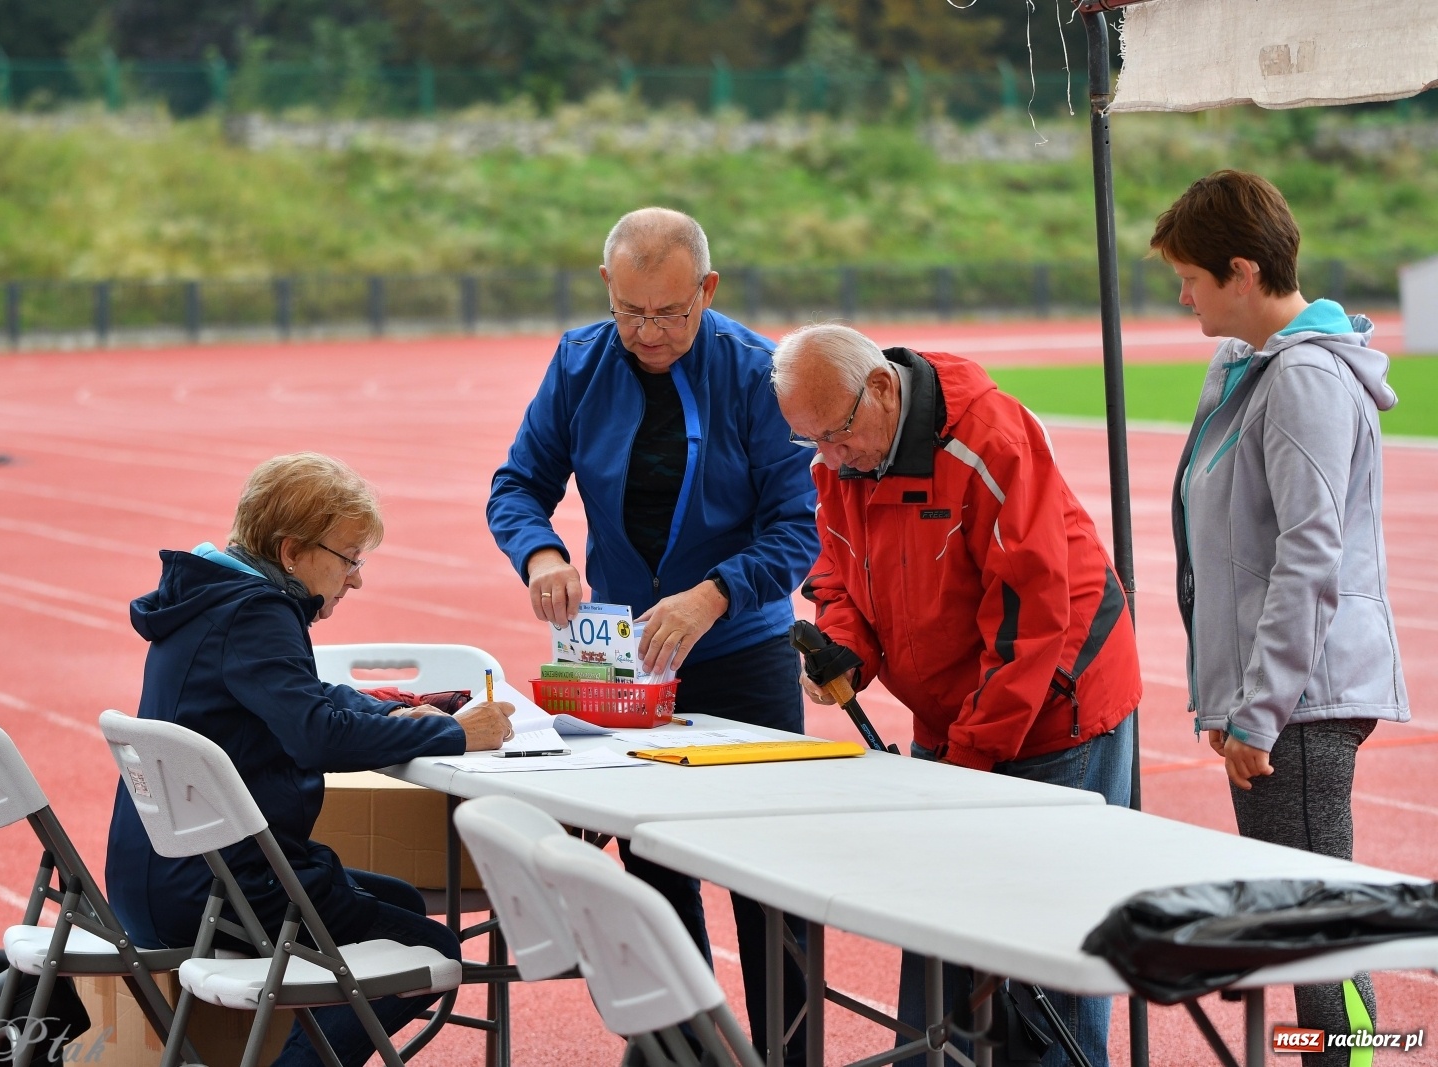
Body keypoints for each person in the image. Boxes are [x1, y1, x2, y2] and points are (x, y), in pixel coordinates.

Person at [486, 207, 820, 1063]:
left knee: (767, 882)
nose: (649, 332)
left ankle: (787, 1053)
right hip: (628, 667)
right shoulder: (579, 361)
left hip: (743, 657)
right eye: (631, 312)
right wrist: (542, 554)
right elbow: (517, 484)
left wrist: (713, 595)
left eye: (671, 313)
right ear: (608, 290)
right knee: (655, 874)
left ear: (707, 290)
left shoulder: (758, 373)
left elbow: (798, 527)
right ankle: (684, 1049)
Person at [770, 323, 1141, 1067]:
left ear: (880, 388)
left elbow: (1031, 623)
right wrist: (845, 644)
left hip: (1057, 717)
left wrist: (961, 764)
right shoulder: (841, 455)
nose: (828, 460)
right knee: (941, 958)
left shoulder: (989, 439)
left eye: (836, 436)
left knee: (1049, 960)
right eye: (809, 442)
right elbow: (838, 574)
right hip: (953, 716)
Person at [105, 452, 515, 1067]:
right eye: (349, 559)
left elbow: (308, 698)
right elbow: (316, 735)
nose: (356, 579)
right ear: (292, 551)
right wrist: (455, 737)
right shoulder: (257, 612)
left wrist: (395, 712)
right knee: (432, 950)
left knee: (400, 902)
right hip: (224, 889)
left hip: (161, 876)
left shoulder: (209, 599)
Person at [1153, 170, 1409, 1064]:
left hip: (1301, 701)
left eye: (1190, 278)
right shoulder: (1242, 367)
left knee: (1322, 931)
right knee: (1306, 927)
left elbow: (1311, 554)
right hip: (1271, 695)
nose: (1181, 296)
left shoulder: (1304, 379)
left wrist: (1257, 710)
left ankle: (1362, 1061)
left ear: (1242, 270)